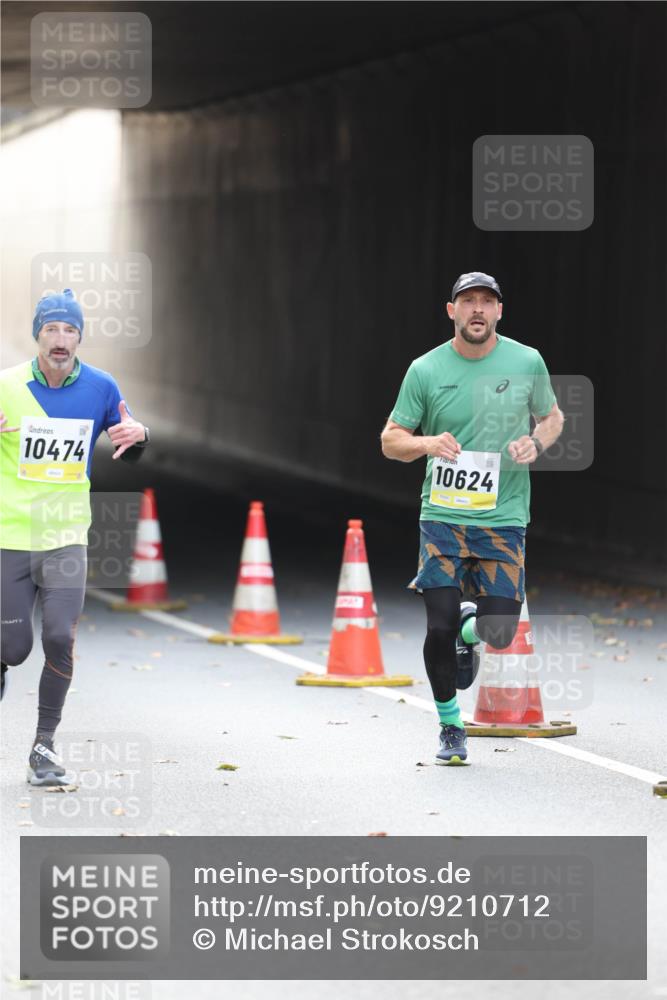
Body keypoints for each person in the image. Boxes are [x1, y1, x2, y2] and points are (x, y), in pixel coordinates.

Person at [381, 271, 564, 765]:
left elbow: (552, 417)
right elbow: (391, 440)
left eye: (486, 301)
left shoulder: (527, 361)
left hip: (503, 517)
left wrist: (537, 442)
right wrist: (427, 443)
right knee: (437, 627)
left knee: (499, 631)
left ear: (499, 311)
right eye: (468, 302)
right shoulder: (425, 369)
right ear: (452, 311)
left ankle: (471, 628)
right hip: (442, 516)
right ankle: (450, 725)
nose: (477, 309)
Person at [0, 288, 149, 785]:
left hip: (66, 535)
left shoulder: (101, 387)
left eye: (69, 330)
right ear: (37, 335)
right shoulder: (7, 385)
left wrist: (140, 436)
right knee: (13, 648)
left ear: (80, 337)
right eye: (51, 329)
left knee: (60, 637)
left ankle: (44, 747)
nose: (60, 339)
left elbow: (128, 443)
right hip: (10, 535)